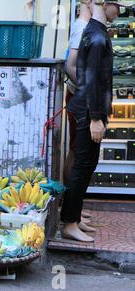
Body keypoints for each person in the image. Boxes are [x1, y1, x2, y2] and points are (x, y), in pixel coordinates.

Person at [61, 0, 120, 242]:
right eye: (117, 4)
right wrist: (96, 117)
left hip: (88, 109)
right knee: (83, 164)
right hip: (89, 111)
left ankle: (73, 218)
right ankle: (69, 223)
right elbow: (92, 79)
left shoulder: (94, 32)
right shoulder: (95, 36)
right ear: (104, 4)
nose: (119, 10)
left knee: (87, 164)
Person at [64, 0, 93, 223]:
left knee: (77, 151)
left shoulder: (86, 24)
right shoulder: (82, 26)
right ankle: (69, 211)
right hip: (78, 96)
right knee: (76, 151)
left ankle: (73, 209)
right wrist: (88, 90)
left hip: (79, 95)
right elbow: (70, 65)